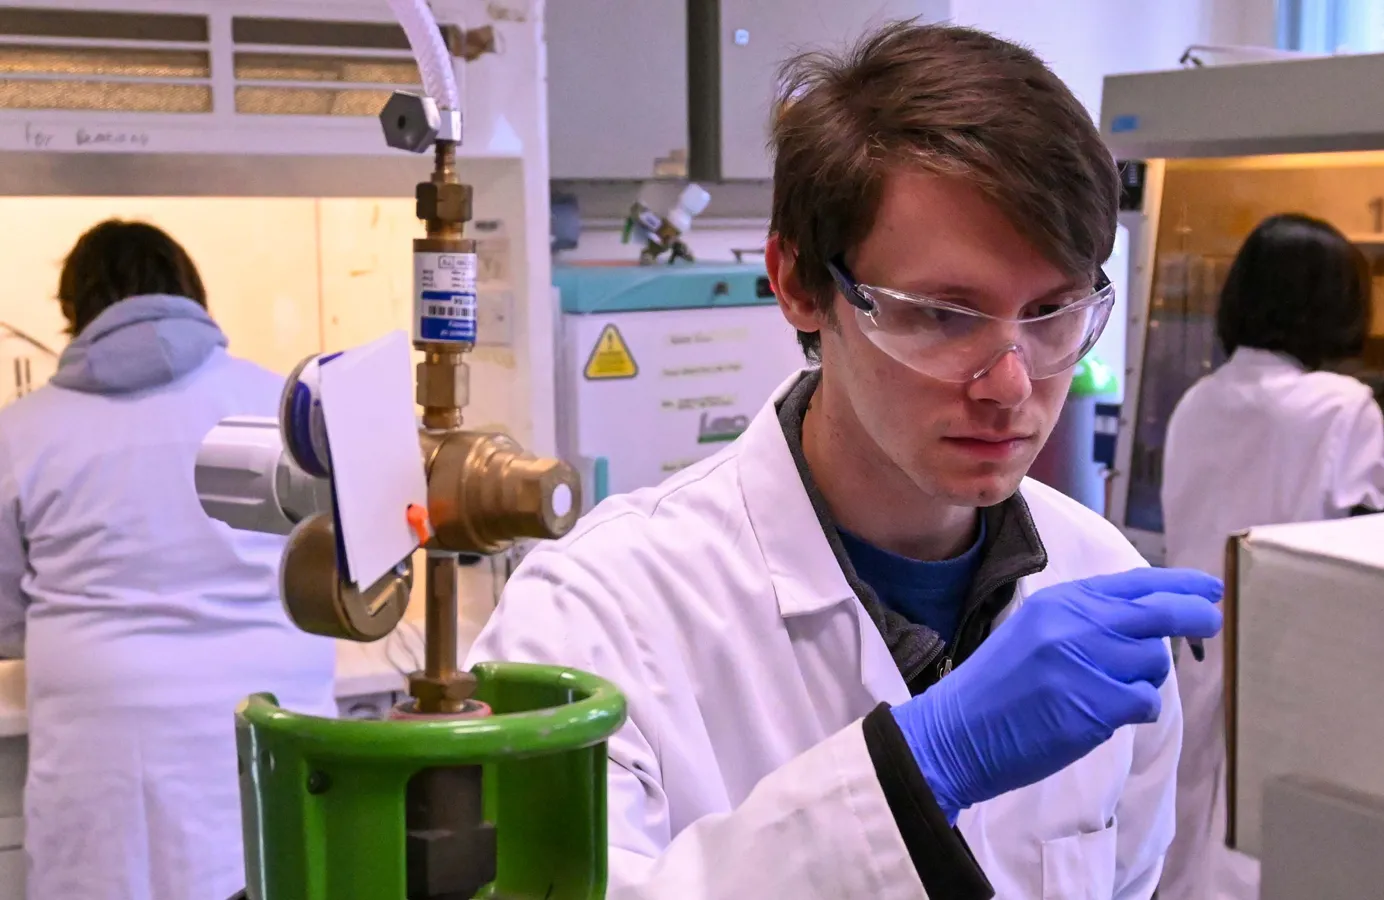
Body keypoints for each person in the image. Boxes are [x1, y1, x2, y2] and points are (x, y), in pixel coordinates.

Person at [469, 22, 1221, 899]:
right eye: (943, 314)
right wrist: (918, 771)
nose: (1011, 385)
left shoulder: (1100, 590)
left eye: (1053, 311)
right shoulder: (598, 616)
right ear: (798, 283)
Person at [0, 220, 338, 900]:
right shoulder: (285, 409)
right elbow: (340, 567)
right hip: (275, 730)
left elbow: (6, 617)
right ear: (193, 295)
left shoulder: (21, 431)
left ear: (75, 313)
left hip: (103, 757)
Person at [1158, 213, 1384, 900]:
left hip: (1198, 653)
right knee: (1261, 848)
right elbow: (1371, 542)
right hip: (1297, 662)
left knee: (1184, 833)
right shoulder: (1343, 408)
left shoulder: (1197, 401)